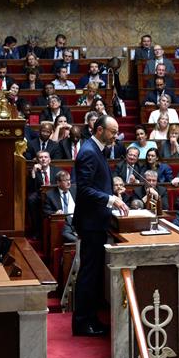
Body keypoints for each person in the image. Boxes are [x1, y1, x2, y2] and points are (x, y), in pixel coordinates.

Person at [72, 116, 130, 336]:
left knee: (94, 274)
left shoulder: (96, 149)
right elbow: (84, 190)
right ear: (99, 130)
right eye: (113, 131)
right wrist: (111, 199)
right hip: (90, 223)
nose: (116, 135)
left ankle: (91, 319)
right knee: (89, 273)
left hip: (97, 221)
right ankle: (82, 323)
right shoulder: (88, 152)